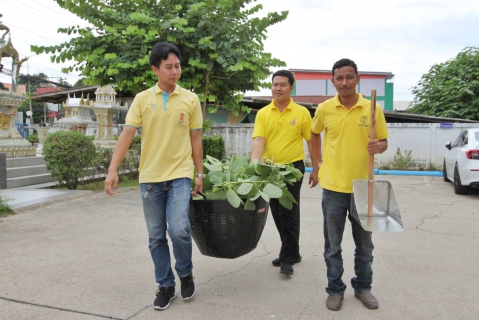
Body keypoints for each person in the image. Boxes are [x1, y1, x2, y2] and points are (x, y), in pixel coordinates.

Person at [104, 41, 204, 311]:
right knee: (156, 235)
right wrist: (113, 169)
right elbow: (127, 133)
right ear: (155, 69)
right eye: (169, 67)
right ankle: (166, 285)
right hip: (150, 177)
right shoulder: (141, 99)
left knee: (180, 229)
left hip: (180, 174)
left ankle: (185, 273)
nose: (175, 71)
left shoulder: (190, 99)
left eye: (178, 66)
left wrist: (199, 173)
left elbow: (196, 137)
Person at [309, 58, 389, 311]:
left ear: (358, 79)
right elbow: (314, 133)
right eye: (339, 78)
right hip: (333, 188)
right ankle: (335, 290)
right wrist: (317, 163)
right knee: (332, 245)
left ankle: (363, 288)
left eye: (349, 77)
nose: (345, 82)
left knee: (364, 245)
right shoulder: (324, 109)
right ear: (333, 81)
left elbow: (384, 141)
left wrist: (379, 146)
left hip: (364, 187)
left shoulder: (372, 107)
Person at [250, 69, 316, 276]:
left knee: (289, 213)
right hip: (270, 171)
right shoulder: (263, 113)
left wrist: (317, 168)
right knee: (277, 213)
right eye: (275, 84)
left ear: (291, 87)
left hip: (292, 169)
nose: (278, 88)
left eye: (283, 85)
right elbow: (259, 140)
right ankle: (292, 252)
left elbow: (311, 141)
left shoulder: (302, 113)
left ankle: (287, 257)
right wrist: (253, 166)